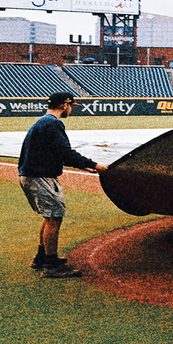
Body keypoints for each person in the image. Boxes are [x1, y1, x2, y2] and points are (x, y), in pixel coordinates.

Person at [18, 93, 108, 278]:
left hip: (33, 175)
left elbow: (54, 153)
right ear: (64, 105)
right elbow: (65, 152)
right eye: (71, 105)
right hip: (40, 177)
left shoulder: (43, 122)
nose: (72, 109)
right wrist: (94, 165)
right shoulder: (53, 123)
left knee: (49, 216)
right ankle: (51, 266)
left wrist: (84, 165)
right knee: (54, 218)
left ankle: (41, 257)